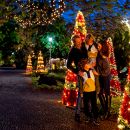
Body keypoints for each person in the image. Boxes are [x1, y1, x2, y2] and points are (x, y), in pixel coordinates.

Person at [67, 35, 85, 122]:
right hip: (80, 74)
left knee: (90, 92)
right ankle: (77, 114)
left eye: (80, 41)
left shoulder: (84, 47)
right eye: (77, 41)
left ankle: (88, 111)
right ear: (74, 42)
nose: (79, 42)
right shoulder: (72, 51)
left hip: (89, 72)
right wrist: (77, 72)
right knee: (80, 94)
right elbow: (68, 65)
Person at [78, 59, 99, 126]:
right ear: (84, 65)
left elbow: (97, 79)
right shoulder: (81, 73)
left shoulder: (92, 71)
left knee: (94, 105)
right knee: (86, 106)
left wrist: (98, 89)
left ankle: (95, 118)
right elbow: (80, 83)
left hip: (93, 91)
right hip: (86, 92)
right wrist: (81, 92)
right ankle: (88, 117)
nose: (89, 64)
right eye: (88, 64)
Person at [96, 40, 111, 119]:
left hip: (105, 76)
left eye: (99, 46)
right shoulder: (99, 54)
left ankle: (107, 112)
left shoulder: (104, 57)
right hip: (101, 76)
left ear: (103, 47)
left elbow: (107, 70)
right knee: (99, 93)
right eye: (97, 46)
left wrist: (99, 74)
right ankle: (105, 110)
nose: (97, 47)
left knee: (106, 92)